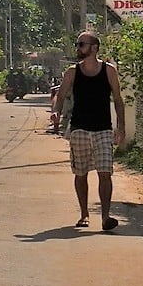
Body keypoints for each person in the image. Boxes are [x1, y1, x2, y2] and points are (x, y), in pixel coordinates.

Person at [51, 31, 125, 232]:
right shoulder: (72, 72)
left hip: (103, 129)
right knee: (81, 173)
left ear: (94, 48)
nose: (78, 48)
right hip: (79, 129)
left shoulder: (109, 71)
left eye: (82, 44)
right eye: (78, 44)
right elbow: (61, 94)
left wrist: (121, 127)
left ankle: (105, 217)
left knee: (105, 173)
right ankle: (84, 214)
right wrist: (56, 111)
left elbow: (118, 100)